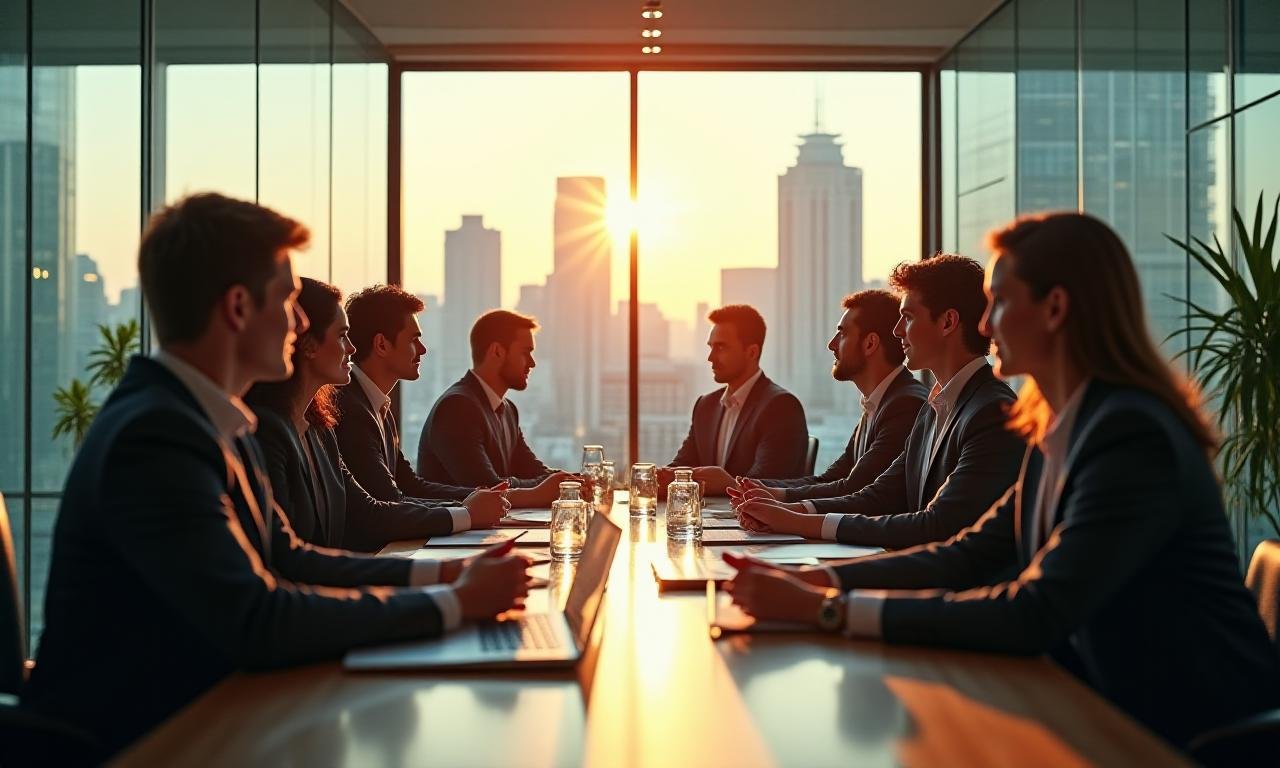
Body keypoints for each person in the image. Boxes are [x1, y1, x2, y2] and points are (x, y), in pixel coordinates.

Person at [723, 211, 1280, 748]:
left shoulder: (1131, 437)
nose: (985, 325)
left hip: (1181, 732)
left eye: (1001, 303)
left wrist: (829, 612)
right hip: (1098, 703)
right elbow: (967, 552)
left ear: (1055, 308)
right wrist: (823, 584)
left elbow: (1036, 611)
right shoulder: (1054, 429)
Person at [22, 193, 530, 759]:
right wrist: (454, 605)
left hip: (210, 716)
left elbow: (288, 557)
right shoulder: (155, 435)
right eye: (289, 301)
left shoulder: (211, 419)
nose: (300, 322)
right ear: (238, 308)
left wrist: (447, 572)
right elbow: (256, 618)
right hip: (138, 741)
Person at [733, 255, 1024, 549]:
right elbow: (880, 495)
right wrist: (785, 513)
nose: (897, 331)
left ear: (947, 322)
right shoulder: (934, 407)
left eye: (908, 317)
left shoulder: (991, 411)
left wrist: (796, 521)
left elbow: (937, 526)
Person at [245, 278, 509, 552]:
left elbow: (383, 497)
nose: (351, 348)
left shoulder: (321, 428)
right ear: (308, 345)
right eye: (341, 336)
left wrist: (467, 509)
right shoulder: (283, 429)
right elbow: (376, 510)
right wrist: (466, 514)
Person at [716, 289, 926, 502]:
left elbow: (855, 488)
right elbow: (832, 479)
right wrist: (750, 488)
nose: (832, 344)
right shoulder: (879, 402)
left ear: (870, 343)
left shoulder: (904, 404)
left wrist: (774, 496)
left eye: (842, 333)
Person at [334, 286, 528, 507]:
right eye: (413, 340)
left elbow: (410, 485)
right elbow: (390, 500)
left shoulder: (376, 405)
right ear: (381, 344)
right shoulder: (352, 410)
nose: (423, 349)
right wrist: (467, 511)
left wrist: (472, 502)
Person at [416, 309, 579, 507]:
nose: (532, 363)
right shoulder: (457, 407)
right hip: (455, 537)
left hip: (487, 532)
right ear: (497, 351)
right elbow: (489, 490)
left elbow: (532, 470)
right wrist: (547, 487)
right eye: (525, 352)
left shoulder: (508, 410)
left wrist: (572, 481)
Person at [664, 304, 808, 491]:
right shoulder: (705, 406)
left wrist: (724, 484)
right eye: (710, 347)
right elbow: (683, 465)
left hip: (755, 520)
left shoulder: (781, 407)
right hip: (708, 519)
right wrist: (660, 477)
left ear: (752, 352)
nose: (711, 357)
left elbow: (766, 483)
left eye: (721, 347)